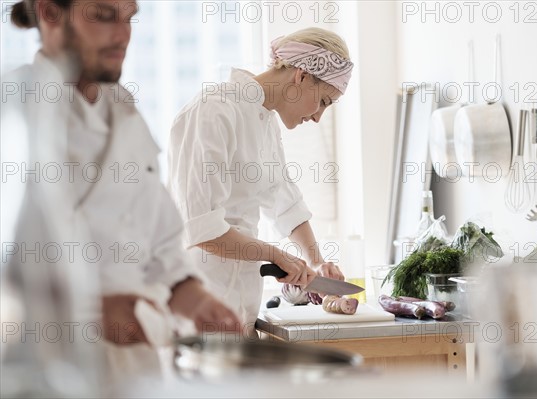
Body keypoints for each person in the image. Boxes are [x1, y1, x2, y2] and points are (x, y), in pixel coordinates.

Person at [2, 0, 240, 391]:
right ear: (49, 13)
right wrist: (88, 315)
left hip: (134, 373)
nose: (123, 35)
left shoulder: (125, 112)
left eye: (129, 18)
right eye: (105, 15)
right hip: (44, 371)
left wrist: (195, 299)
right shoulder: (13, 108)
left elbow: (161, 246)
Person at [168, 27, 354, 325]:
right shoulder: (213, 111)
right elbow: (201, 229)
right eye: (323, 101)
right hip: (193, 312)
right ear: (302, 76)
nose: (319, 117)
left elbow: (284, 202)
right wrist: (273, 253)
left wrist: (315, 262)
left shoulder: (265, 123)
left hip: (240, 311)